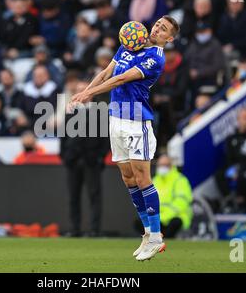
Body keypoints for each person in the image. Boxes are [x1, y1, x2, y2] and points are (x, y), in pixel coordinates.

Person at [70, 15, 180, 260]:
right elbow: (107, 71)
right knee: (128, 177)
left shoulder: (155, 58)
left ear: (169, 39)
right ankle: (147, 234)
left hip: (136, 121)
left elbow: (120, 78)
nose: (158, 29)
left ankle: (156, 236)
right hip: (116, 118)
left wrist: (89, 95)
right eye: (158, 25)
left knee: (142, 177)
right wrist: (85, 90)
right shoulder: (131, 42)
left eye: (164, 29)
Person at [61, 79, 110, 237]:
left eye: (85, 89)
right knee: (73, 197)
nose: (82, 93)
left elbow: (106, 139)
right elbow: (63, 137)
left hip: (91, 161)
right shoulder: (70, 112)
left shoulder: (100, 111)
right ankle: (74, 229)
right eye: (79, 90)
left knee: (94, 196)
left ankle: (94, 230)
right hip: (73, 162)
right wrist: (66, 156)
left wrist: (99, 157)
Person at [215, 108, 246, 213]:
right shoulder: (231, 136)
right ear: (238, 119)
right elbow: (228, 157)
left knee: (243, 175)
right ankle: (229, 200)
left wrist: (240, 168)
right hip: (234, 167)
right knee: (219, 174)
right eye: (242, 118)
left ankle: (243, 203)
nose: (244, 120)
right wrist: (233, 168)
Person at [153, 154, 193, 238]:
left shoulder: (180, 180)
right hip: (159, 218)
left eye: (165, 165)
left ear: (171, 166)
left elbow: (181, 202)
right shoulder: (155, 180)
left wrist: (163, 217)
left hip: (177, 216)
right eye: (160, 165)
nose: (162, 167)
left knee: (174, 223)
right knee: (140, 222)